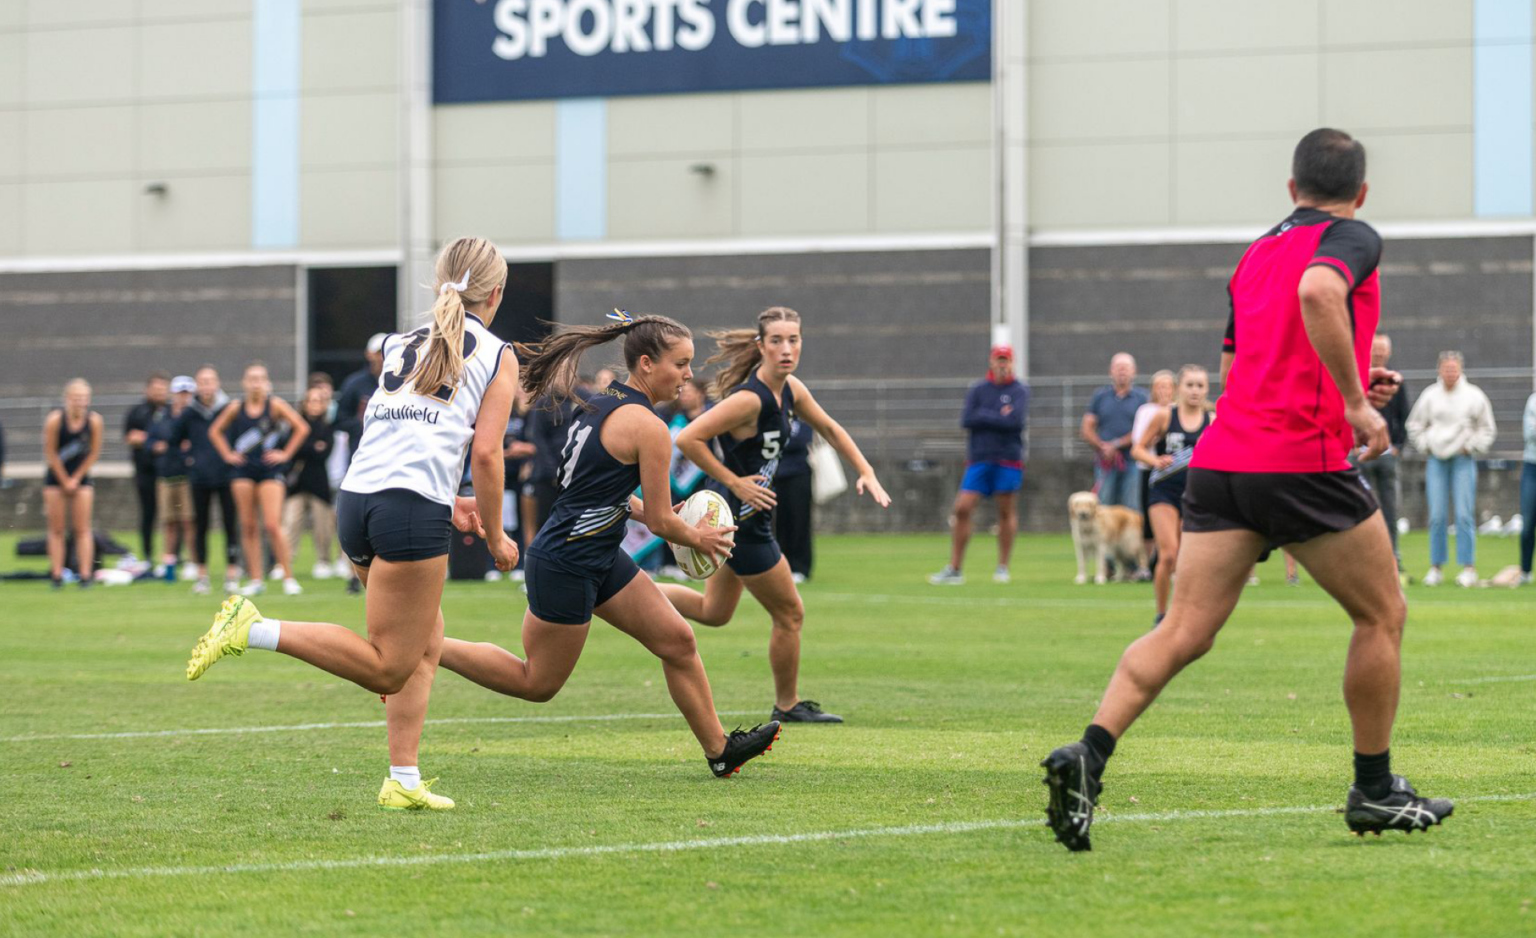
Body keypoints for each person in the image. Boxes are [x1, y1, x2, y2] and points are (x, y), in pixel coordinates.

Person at [1040, 128, 1453, 853]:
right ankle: (1375, 787)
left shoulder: (1256, 254)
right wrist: (1359, 405)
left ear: (1291, 189)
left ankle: (1088, 754)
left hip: (1225, 461)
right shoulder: (1351, 237)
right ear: (1360, 194)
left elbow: (1242, 372)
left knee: (1183, 630)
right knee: (1382, 613)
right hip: (1303, 460)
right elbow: (1321, 289)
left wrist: (1355, 376)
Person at [187, 236, 520, 811]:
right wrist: (496, 533)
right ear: (496, 293)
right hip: (408, 510)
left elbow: (405, 433)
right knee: (390, 666)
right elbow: (488, 454)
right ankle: (254, 627)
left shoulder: (396, 343)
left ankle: (404, 780)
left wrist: (451, 500)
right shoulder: (497, 352)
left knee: (425, 642)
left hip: (358, 501)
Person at [435, 311, 781, 779]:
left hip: (595, 554)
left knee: (678, 640)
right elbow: (662, 523)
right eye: (679, 364)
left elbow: (596, 489)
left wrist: (653, 514)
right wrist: (698, 537)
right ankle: (425, 647)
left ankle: (720, 749)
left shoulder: (602, 402)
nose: (687, 375)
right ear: (645, 363)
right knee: (536, 682)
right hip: (566, 562)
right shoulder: (649, 427)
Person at [661, 306, 893, 724]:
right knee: (790, 614)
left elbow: (831, 429)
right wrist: (735, 481)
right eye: (777, 341)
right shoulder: (750, 399)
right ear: (761, 346)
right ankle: (787, 705)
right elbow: (690, 438)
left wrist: (867, 470)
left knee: (715, 613)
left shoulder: (792, 390)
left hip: (747, 515)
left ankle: (628, 595)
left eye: (794, 340)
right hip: (742, 520)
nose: (787, 349)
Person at [930, 345, 1029, 585]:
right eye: (998, 360)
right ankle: (955, 568)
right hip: (979, 459)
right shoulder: (978, 389)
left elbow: (1015, 422)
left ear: (1012, 363)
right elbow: (967, 419)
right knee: (962, 508)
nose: (1002, 364)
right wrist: (997, 415)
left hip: (1007, 459)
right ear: (991, 362)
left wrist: (986, 416)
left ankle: (1002, 567)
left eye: (1006, 360)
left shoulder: (1019, 391)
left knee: (1005, 511)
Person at [209, 362, 309, 596]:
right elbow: (215, 431)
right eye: (251, 378)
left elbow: (301, 428)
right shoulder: (236, 407)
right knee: (248, 525)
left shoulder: (274, 405)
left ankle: (288, 576)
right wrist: (228, 455)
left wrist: (285, 454)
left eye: (260, 378)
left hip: (268, 470)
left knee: (272, 524)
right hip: (242, 471)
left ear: (267, 382)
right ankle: (255, 579)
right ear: (244, 382)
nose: (256, 383)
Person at [1406, 351, 1497, 587]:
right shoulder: (1430, 396)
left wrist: (1472, 446)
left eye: (1454, 369)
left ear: (1460, 370)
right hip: (1436, 460)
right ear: (1439, 370)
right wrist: (1425, 445)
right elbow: (1414, 425)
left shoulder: (1473, 396)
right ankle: (1436, 566)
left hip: (1462, 460)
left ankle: (1468, 567)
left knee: (1464, 515)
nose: (1450, 373)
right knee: (1436, 515)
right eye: (1446, 369)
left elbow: (1487, 429)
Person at [1130, 364, 1211, 625]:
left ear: (1206, 389)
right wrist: (1155, 461)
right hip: (1164, 490)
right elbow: (1138, 449)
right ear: (1179, 388)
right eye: (1190, 385)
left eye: (1200, 385)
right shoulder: (1165, 417)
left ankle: (1183, 612)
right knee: (1168, 554)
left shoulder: (1212, 421)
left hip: (1196, 493)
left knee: (1188, 558)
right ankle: (1161, 613)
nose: (1195, 391)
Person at [170, 367, 242, 594]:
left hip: (227, 475)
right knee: (199, 526)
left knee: (230, 525)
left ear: (217, 383)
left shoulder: (229, 408)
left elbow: (239, 436)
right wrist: (188, 460)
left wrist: (233, 457)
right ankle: (202, 574)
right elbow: (173, 440)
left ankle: (232, 573)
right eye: (202, 382)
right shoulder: (190, 412)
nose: (206, 386)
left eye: (210, 381)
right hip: (200, 476)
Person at [43, 379, 104, 588]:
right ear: (67, 399)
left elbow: (94, 452)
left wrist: (76, 478)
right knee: (57, 529)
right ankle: (57, 575)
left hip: (81, 478)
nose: (80, 402)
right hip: (56, 479)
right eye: (76, 398)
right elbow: (50, 453)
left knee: (82, 529)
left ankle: (85, 576)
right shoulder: (55, 420)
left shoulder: (94, 421)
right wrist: (64, 480)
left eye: (84, 398)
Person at [1357, 335, 1409, 575]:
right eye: (1375, 349)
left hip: (1387, 453)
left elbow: (1404, 415)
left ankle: (1392, 560)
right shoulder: (1356, 378)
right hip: (1359, 452)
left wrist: (1397, 444)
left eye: (1382, 349)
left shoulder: (1396, 381)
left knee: (1390, 509)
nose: (1378, 353)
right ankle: (1362, 561)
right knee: (1359, 508)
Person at [284, 386, 338, 581]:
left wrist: (306, 447)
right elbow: (291, 449)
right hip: (297, 484)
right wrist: (312, 446)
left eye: (318, 401)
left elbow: (323, 452)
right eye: (310, 401)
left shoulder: (328, 427)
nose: (314, 405)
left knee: (323, 525)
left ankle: (323, 561)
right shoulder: (295, 425)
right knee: (290, 522)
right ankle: (284, 561)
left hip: (319, 483)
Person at [1081, 353, 1148, 512]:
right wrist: (1103, 447)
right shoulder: (1100, 396)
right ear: (1111, 371)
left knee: (1131, 510)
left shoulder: (1142, 398)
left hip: (1132, 461)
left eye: (1126, 368)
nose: (1122, 371)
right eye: (1118, 368)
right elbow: (1086, 428)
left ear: (1134, 371)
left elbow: (1144, 429)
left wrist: (1116, 444)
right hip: (1105, 462)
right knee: (1103, 507)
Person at [149, 376, 197, 581]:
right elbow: (151, 439)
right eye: (180, 393)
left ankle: (192, 561)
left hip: (187, 476)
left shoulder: (195, 416)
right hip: (167, 475)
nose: (183, 397)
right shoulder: (162, 416)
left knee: (188, 520)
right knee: (168, 522)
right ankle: (169, 562)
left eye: (187, 393)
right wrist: (155, 446)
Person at [124, 372, 170, 562]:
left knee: (173, 517)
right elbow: (131, 437)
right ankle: (148, 555)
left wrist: (147, 439)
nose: (159, 392)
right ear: (148, 389)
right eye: (156, 388)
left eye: (163, 389)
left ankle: (172, 556)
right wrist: (153, 442)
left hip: (168, 471)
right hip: (145, 471)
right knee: (148, 514)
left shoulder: (172, 411)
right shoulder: (138, 412)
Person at [1131, 371, 1176, 562]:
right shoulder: (1146, 411)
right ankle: (1147, 563)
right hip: (1150, 469)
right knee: (1148, 519)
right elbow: (1139, 442)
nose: (1163, 391)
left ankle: (1171, 560)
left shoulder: (1179, 409)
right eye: (1159, 386)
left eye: (1167, 386)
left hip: (1174, 471)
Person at [774, 414, 815, 583]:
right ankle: (784, 564)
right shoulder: (774, 415)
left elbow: (801, 439)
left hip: (798, 475)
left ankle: (801, 566)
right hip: (776, 475)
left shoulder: (802, 416)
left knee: (799, 520)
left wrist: (779, 441)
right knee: (780, 522)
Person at [1521, 390, 1535, 585]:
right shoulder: (1533, 401)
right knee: (1527, 524)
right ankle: (1525, 571)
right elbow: (1530, 433)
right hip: (1532, 467)